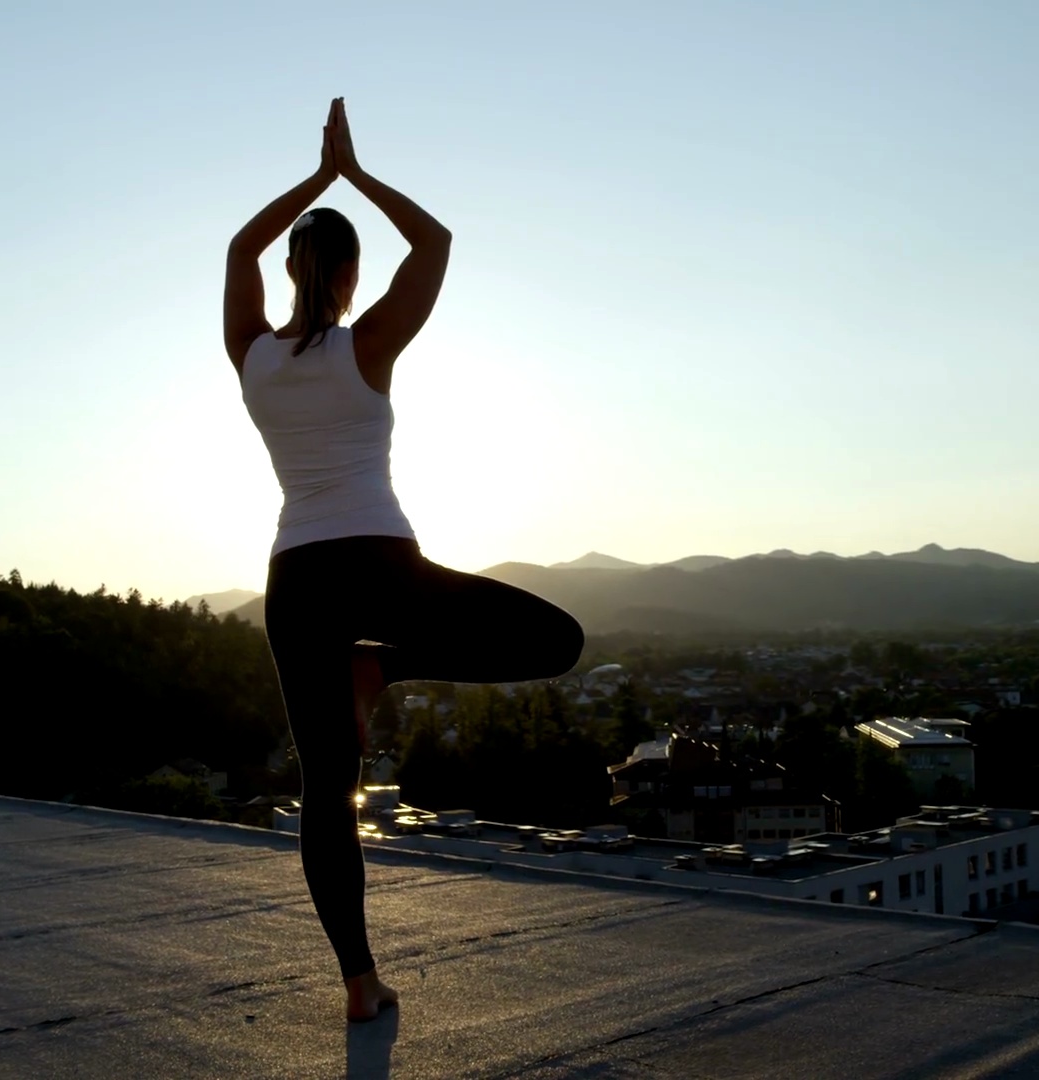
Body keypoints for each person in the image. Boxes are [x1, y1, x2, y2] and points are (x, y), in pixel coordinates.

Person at [223, 98, 584, 1022]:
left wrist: (311, 184)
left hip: (296, 580)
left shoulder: (254, 359)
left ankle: (358, 984)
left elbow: (236, 252)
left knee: (324, 788)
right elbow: (436, 241)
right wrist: (352, 173)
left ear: (295, 269)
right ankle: (382, 664)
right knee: (555, 640)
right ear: (346, 277)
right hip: (381, 564)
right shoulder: (367, 345)